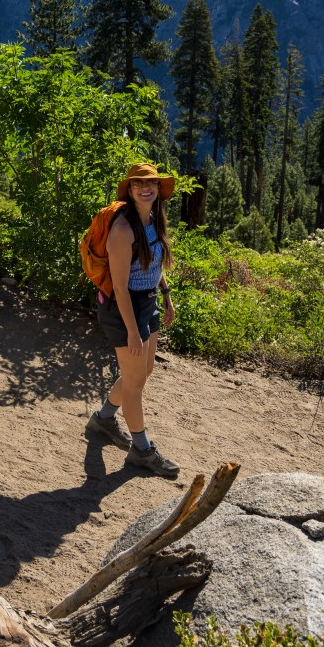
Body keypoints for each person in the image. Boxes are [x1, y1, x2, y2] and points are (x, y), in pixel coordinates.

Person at [86, 162, 180, 478]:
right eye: (138, 183)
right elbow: (121, 287)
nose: (145, 187)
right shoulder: (123, 229)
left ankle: (104, 418)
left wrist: (166, 296)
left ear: (158, 190)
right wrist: (132, 331)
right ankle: (141, 449)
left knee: (142, 372)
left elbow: (153, 266)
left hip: (147, 302)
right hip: (122, 307)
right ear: (129, 189)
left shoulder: (152, 220)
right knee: (136, 383)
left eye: (150, 183)